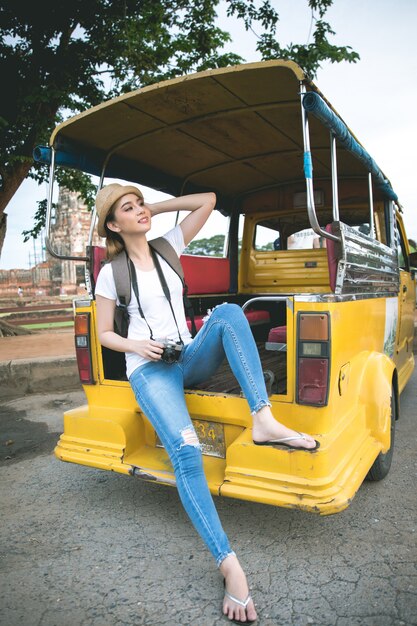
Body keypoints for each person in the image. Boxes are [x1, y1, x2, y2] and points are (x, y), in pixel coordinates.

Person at [94, 183, 319, 624]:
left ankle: (263, 418)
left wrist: (152, 209)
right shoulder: (112, 271)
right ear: (112, 224)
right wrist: (137, 344)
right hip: (150, 367)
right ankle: (228, 563)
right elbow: (104, 332)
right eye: (128, 207)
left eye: (140, 204)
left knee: (229, 314)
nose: (140, 211)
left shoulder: (167, 244)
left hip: (188, 355)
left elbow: (209, 200)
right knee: (187, 453)